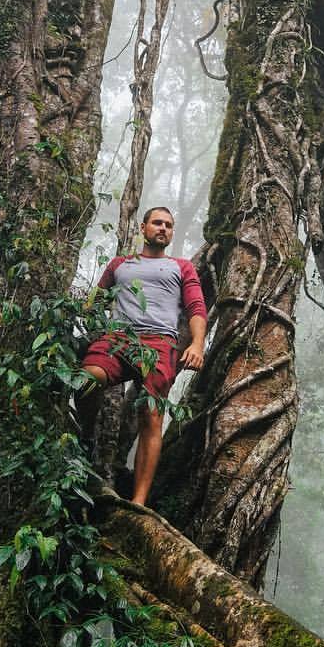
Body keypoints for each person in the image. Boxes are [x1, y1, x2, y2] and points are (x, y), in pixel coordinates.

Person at [79, 206, 207, 505]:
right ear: (143, 227)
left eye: (169, 225)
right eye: (157, 223)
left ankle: (137, 502)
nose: (163, 228)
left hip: (160, 344)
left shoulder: (181, 266)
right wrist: (88, 323)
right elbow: (94, 303)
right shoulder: (120, 265)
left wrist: (197, 344)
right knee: (86, 379)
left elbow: (196, 308)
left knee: (151, 417)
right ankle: (86, 436)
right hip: (117, 338)